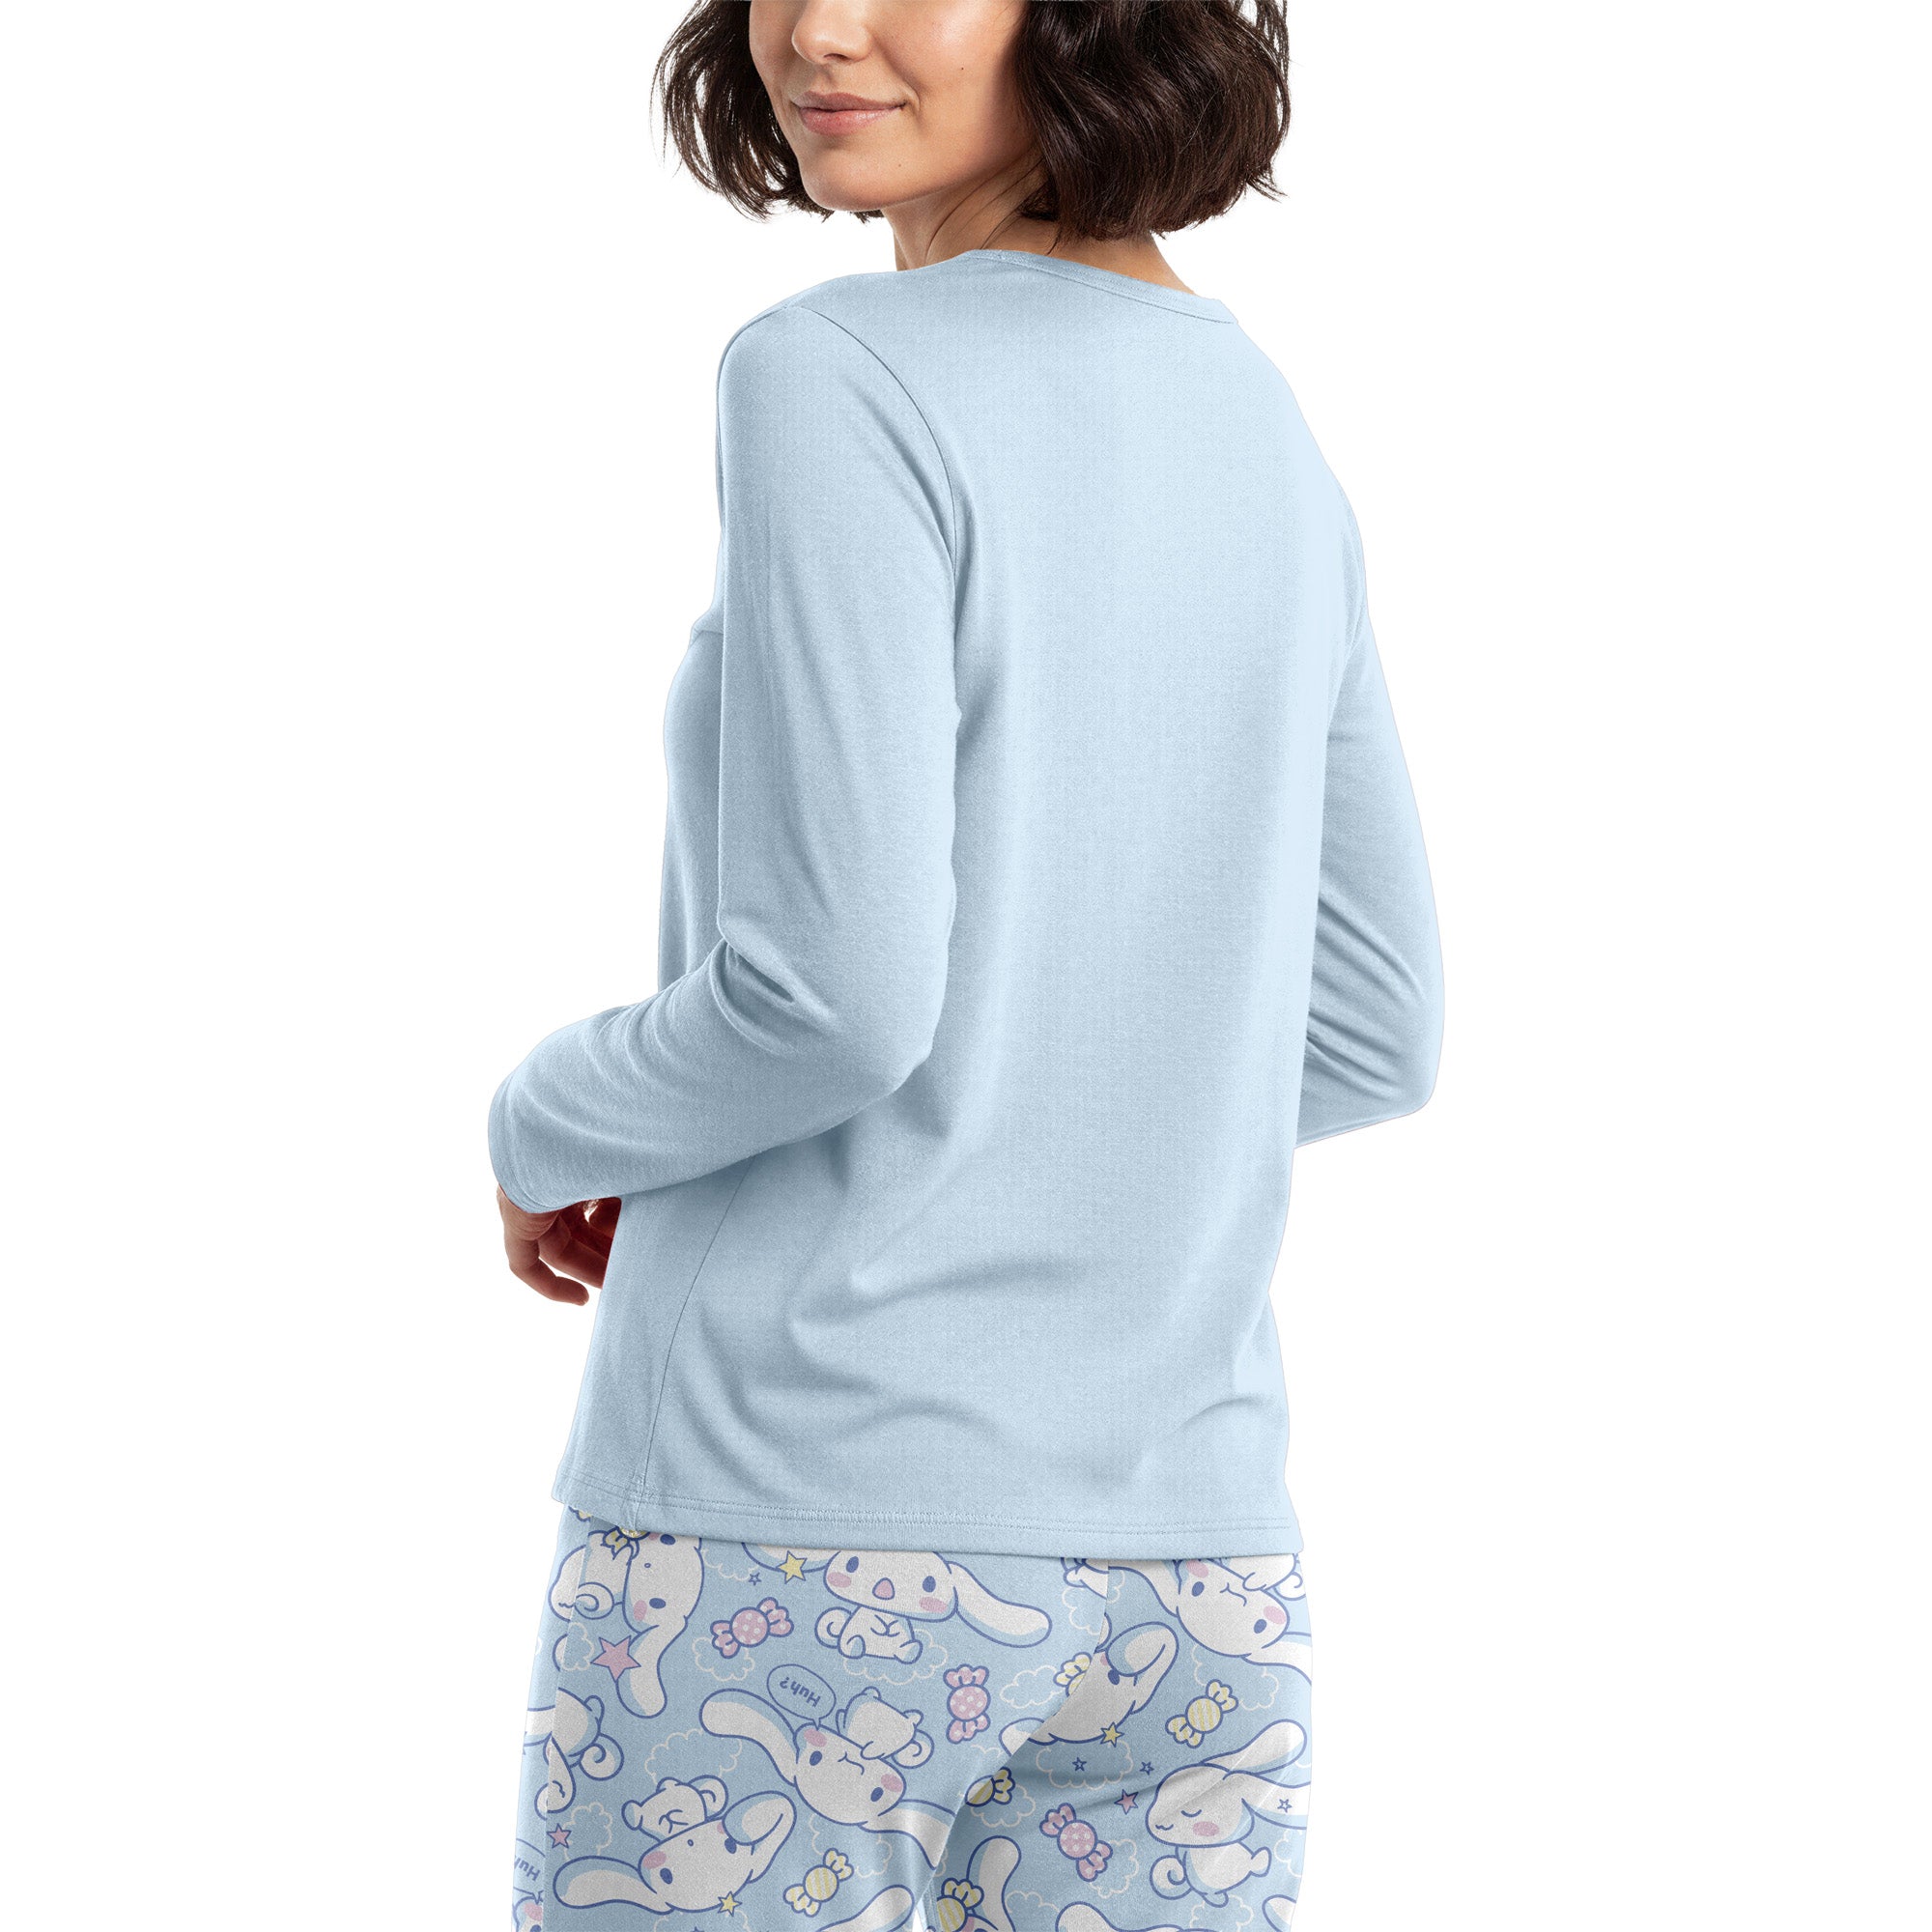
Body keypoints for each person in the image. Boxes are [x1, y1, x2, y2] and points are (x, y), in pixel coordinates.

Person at [491, 3, 1442, 1924]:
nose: (817, 32)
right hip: (1194, 1581)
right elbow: (1369, 1027)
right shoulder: (1257, 415)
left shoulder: (833, 371)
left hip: (797, 1538)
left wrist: (545, 1115)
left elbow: (828, 999)